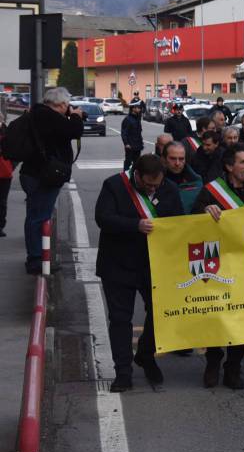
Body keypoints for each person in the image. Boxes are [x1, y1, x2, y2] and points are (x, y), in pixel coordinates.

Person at [95, 154, 184, 391]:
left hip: (154, 265)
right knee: (121, 319)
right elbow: (103, 218)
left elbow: (180, 224)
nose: (153, 188)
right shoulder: (114, 185)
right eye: (148, 184)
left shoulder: (169, 189)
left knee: (161, 313)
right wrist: (135, 225)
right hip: (118, 264)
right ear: (137, 175)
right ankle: (123, 372)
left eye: (157, 184)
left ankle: (145, 353)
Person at [192, 146, 244, 389]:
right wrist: (204, 211)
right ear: (229, 166)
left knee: (242, 317)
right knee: (217, 315)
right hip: (219, 263)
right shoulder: (210, 192)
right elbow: (189, 222)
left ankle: (234, 367)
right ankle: (213, 361)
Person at [20, 87, 84, 274]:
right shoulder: (48, 116)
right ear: (62, 104)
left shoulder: (38, 113)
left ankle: (37, 257)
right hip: (43, 176)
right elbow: (75, 130)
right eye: (67, 105)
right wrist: (76, 116)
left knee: (34, 216)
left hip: (32, 173)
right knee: (39, 218)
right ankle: (36, 260)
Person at [161, 141, 203, 213]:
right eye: (173, 158)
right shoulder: (155, 182)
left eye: (181, 159)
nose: (177, 163)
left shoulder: (197, 181)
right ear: (164, 159)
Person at [121, 101, 144, 171]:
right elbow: (124, 133)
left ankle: (134, 178)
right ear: (133, 109)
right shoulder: (127, 119)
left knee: (137, 163)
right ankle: (125, 178)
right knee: (128, 162)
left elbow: (138, 132)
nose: (139, 110)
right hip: (130, 145)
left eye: (140, 108)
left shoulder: (137, 118)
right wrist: (126, 143)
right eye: (138, 108)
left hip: (137, 145)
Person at [0, 113, 12, 237]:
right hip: (5, 171)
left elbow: (15, 151)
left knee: (2, 202)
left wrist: (10, 166)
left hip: (4, 173)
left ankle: (0, 226)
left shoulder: (7, 133)